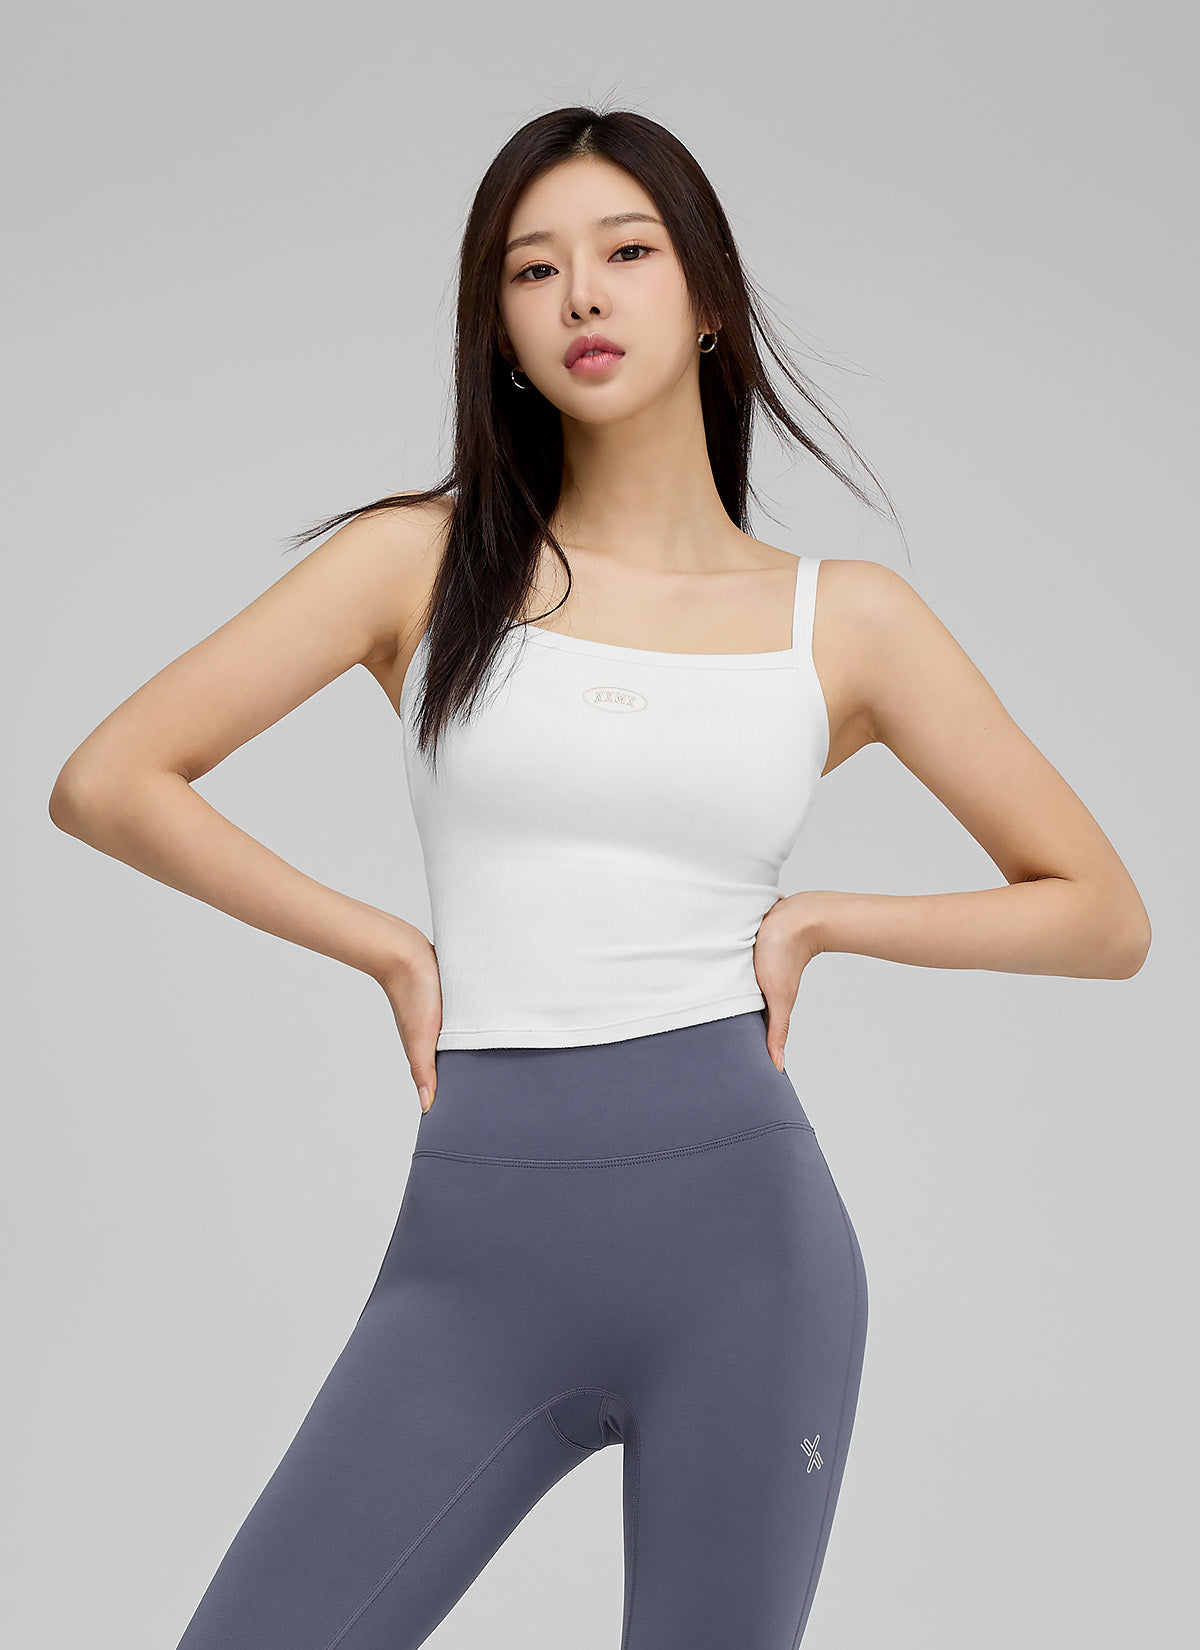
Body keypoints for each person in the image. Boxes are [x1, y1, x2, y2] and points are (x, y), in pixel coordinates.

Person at [48, 106, 1151, 1650]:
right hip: (471, 1252)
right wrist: (385, 947)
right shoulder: (419, 564)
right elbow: (108, 780)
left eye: (627, 251)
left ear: (706, 297)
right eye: (532, 267)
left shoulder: (844, 620)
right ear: (497, 326)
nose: (581, 293)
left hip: (745, 1255)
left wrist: (831, 919)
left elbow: (1103, 912)